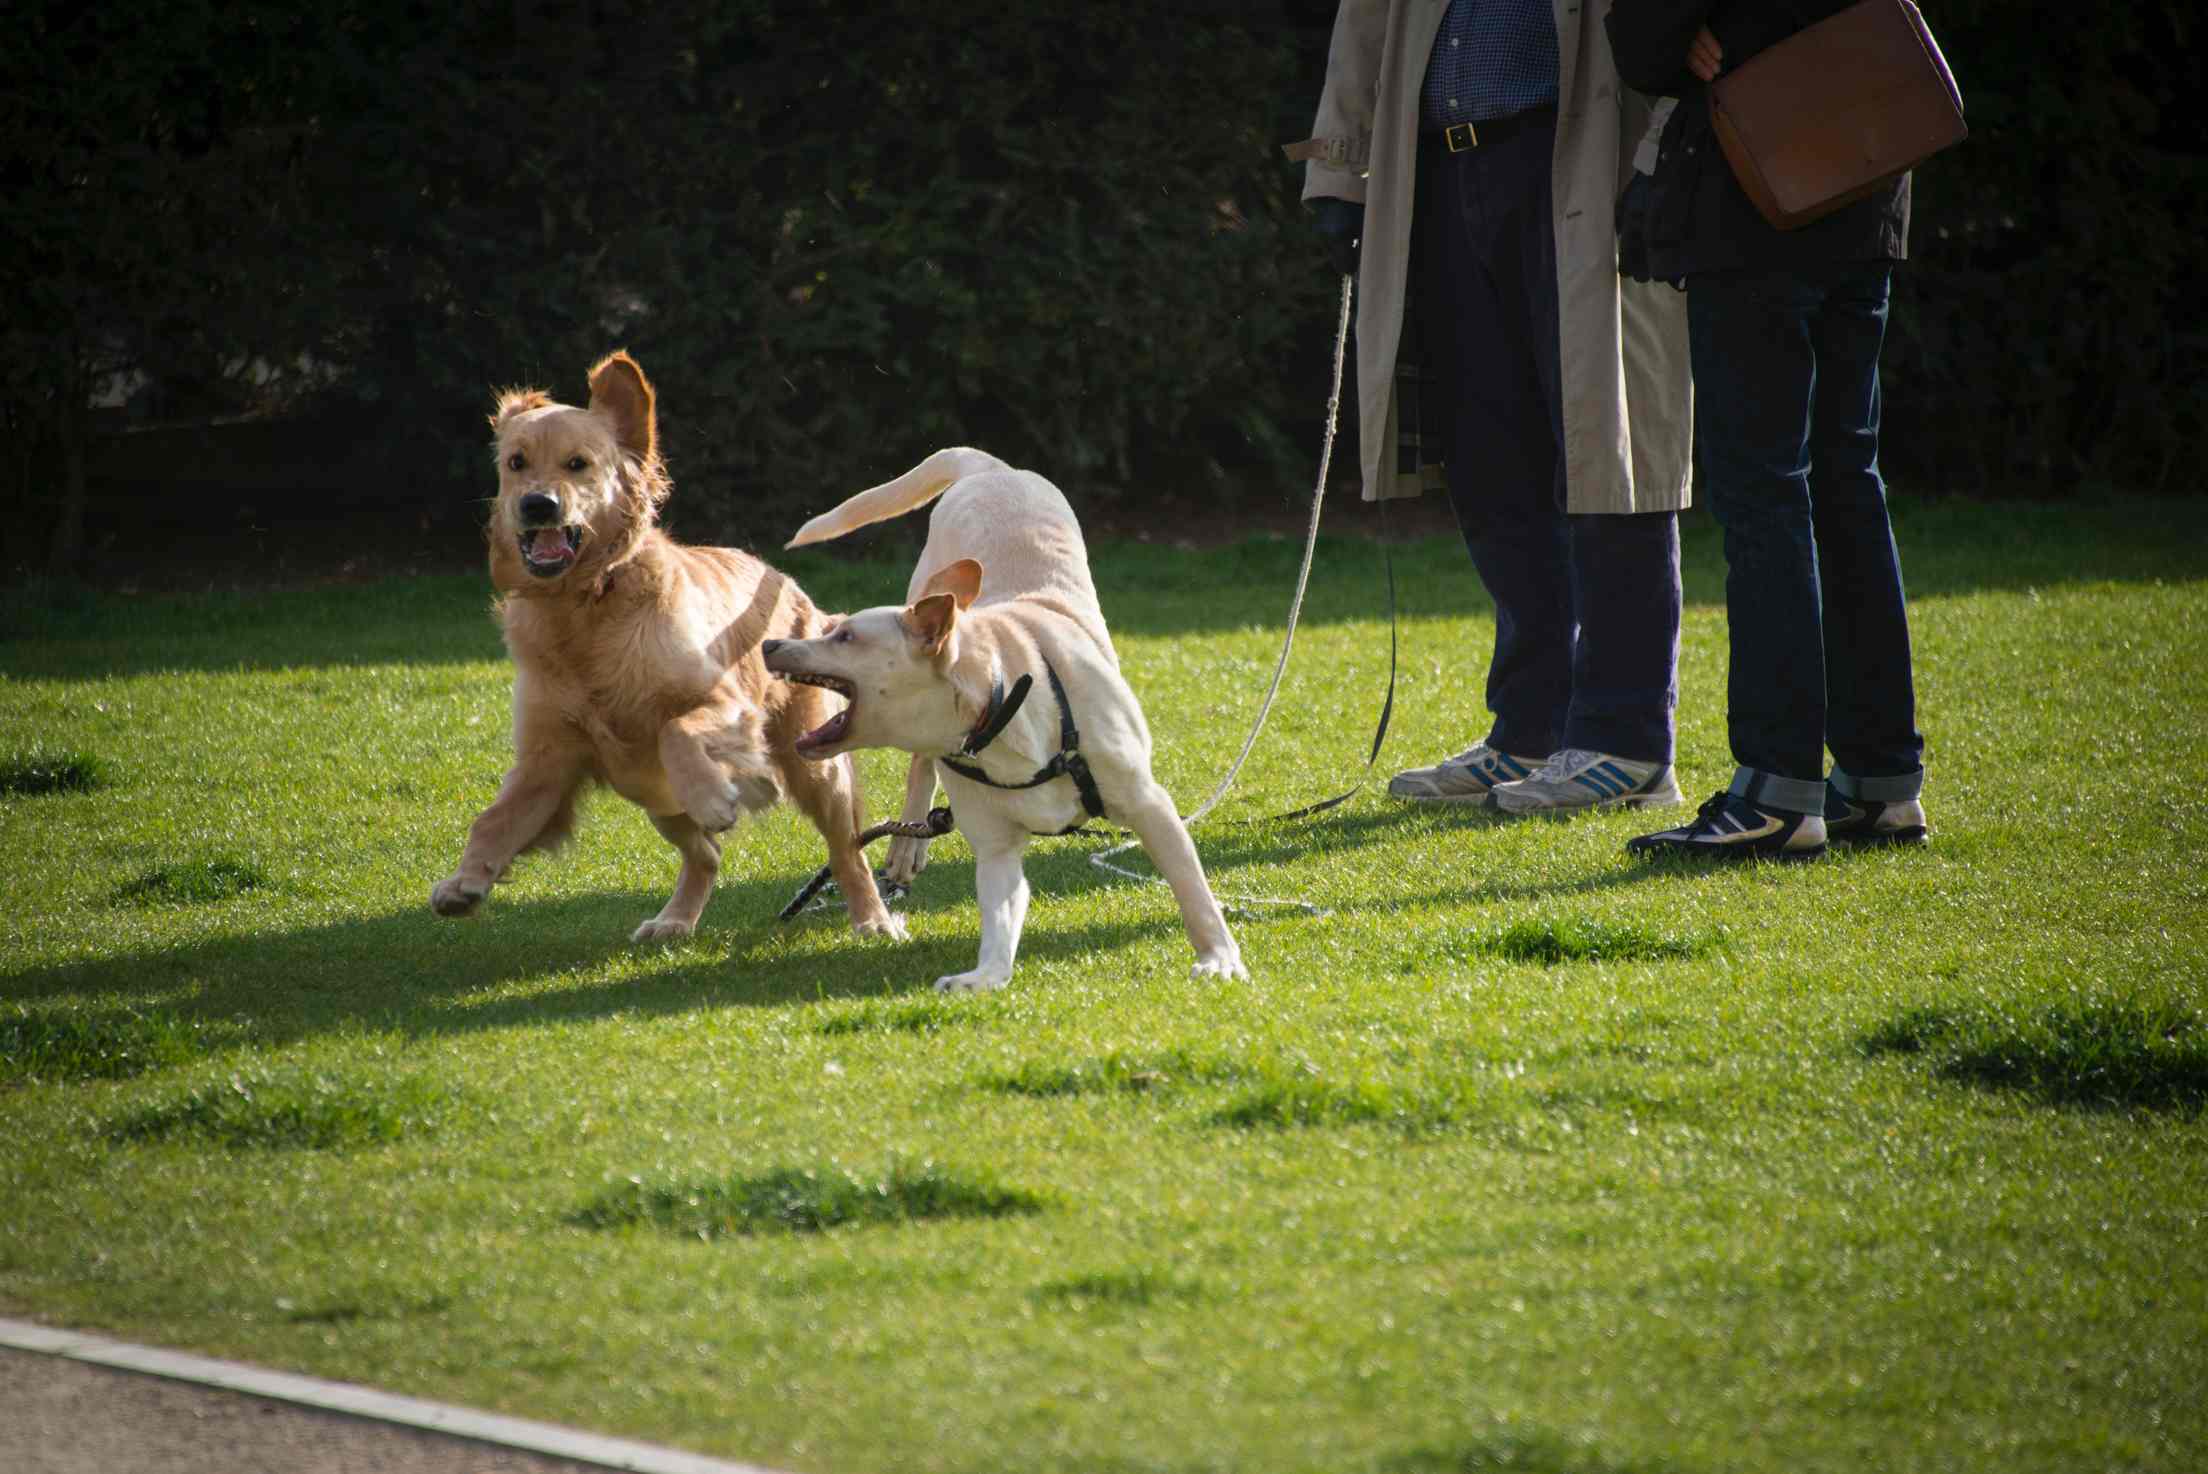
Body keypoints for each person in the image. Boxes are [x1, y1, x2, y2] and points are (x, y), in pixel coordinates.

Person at [1289, 0, 1694, 816]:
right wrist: (1338, 170)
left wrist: (1664, 160)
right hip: (1435, 171)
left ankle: (1626, 740)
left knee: (1607, 448)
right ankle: (1532, 728)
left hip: (1578, 156)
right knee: (1485, 453)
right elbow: (1366, 16)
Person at [1607, 0, 1929, 861]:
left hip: (1761, 191)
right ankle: (1881, 778)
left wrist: (1694, 38)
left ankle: (1777, 788)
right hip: (1867, 168)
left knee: (1766, 491)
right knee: (1847, 481)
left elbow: (1644, 38)